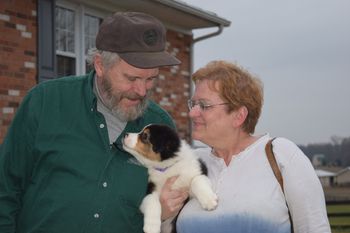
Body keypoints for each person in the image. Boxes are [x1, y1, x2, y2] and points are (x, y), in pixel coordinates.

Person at [0, 11, 186, 233]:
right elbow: (5, 191)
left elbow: (167, 210)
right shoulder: (44, 103)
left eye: (150, 79)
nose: (141, 90)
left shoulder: (161, 126)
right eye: (132, 78)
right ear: (100, 65)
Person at [161, 60, 331, 233]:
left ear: (239, 116)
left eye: (204, 105)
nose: (192, 113)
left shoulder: (281, 155)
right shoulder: (191, 163)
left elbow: (315, 228)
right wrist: (163, 214)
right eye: (193, 104)